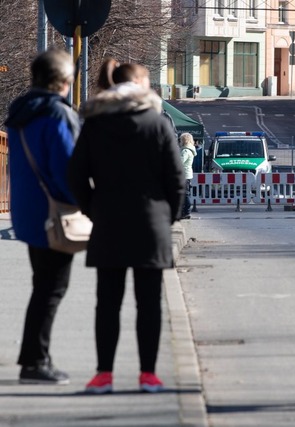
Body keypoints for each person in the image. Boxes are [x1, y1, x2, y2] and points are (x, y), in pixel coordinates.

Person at [67, 59, 185, 394]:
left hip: (108, 222)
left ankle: (103, 374)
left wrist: (92, 209)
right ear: (139, 84)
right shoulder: (158, 123)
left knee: (107, 302)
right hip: (152, 223)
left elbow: (75, 174)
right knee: (148, 303)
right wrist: (169, 216)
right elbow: (176, 178)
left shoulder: (95, 123)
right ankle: (148, 374)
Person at [4, 49, 79, 384]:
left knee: (44, 285)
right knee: (51, 288)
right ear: (63, 81)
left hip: (29, 212)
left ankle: (36, 357)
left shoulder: (21, 112)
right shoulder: (56, 114)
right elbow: (67, 169)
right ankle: (35, 361)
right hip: (55, 214)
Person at [179, 132, 197, 219]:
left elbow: (180, 162)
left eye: (180, 140)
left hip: (184, 174)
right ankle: (185, 211)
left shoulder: (185, 151)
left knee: (184, 194)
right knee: (185, 193)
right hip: (187, 173)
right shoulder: (190, 149)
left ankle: (186, 212)